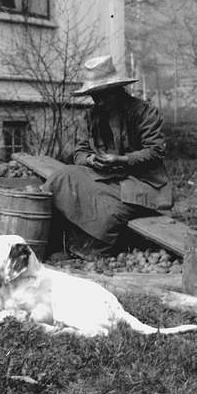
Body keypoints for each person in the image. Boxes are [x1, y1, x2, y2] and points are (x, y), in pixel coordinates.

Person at [47, 55, 172, 258]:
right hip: (104, 177)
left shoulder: (144, 112)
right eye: (95, 96)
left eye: (104, 95)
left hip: (140, 182)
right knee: (61, 178)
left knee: (109, 209)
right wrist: (90, 160)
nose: (99, 101)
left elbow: (155, 151)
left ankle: (94, 248)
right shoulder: (91, 116)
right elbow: (79, 152)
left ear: (117, 90)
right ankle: (55, 242)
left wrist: (121, 159)